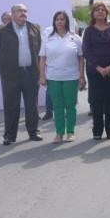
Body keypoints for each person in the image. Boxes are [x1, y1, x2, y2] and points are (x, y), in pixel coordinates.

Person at [0, 3, 43, 146]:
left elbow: (40, 50)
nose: (23, 13)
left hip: (31, 73)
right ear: (13, 14)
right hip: (11, 75)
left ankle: (34, 132)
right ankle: (9, 136)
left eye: (25, 10)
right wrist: (7, 63)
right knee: (11, 105)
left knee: (32, 105)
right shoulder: (1, 30)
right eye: (20, 11)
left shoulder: (34, 29)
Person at [38, 11, 85, 143]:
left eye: (62, 19)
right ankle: (59, 133)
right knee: (57, 106)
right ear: (54, 22)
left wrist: (82, 76)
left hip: (71, 77)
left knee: (70, 105)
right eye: (57, 19)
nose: (59, 21)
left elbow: (81, 58)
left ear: (66, 21)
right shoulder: (48, 38)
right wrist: (42, 76)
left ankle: (70, 132)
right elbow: (42, 58)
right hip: (53, 77)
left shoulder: (75, 38)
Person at [82, 2, 110, 140]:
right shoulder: (89, 31)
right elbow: (87, 51)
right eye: (97, 10)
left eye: (103, 10)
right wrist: (98, 68)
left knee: (109, 101)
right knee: (96, 101)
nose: (100, 12)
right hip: (94, 71)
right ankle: (97, 130)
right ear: (93, 13)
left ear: (106, 13)